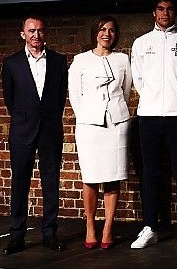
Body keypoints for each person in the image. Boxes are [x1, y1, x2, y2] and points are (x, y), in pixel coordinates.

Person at [129, 0, 177, 249]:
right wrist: (153, 100)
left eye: (169, 9)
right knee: (150, 173)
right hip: (148, 117)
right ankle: (150, 227)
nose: (165, 13)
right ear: (153, 12)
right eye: (160, 8)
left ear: (175, 11)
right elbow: (138, 79)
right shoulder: (141, 42)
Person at [1, 16, 68, 255]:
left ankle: (50, 234)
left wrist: (48, 120)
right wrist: (25, 119)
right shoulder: (11, 63)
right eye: (31, 31)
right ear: (23, 34)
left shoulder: (60, 62)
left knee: (51, 184)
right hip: (22, 131)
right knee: (19, 184)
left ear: (45, 33)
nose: (36, 36)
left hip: (50, 131)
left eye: (40, 31)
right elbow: (10, 99)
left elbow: (60, 98)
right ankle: (16, 236)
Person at [68, 15, 132, 250]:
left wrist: (115, 111)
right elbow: (75, 96)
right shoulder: (80, 60)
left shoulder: (123, 59)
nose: (107, 34)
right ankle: (90, 227)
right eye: (103, 29)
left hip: (117, 124)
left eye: (112, 30)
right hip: (89, 126)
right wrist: (89, 116)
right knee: (91, 178)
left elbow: (126, 92)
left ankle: (107, 229)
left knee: (113, 177)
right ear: (95, 33)